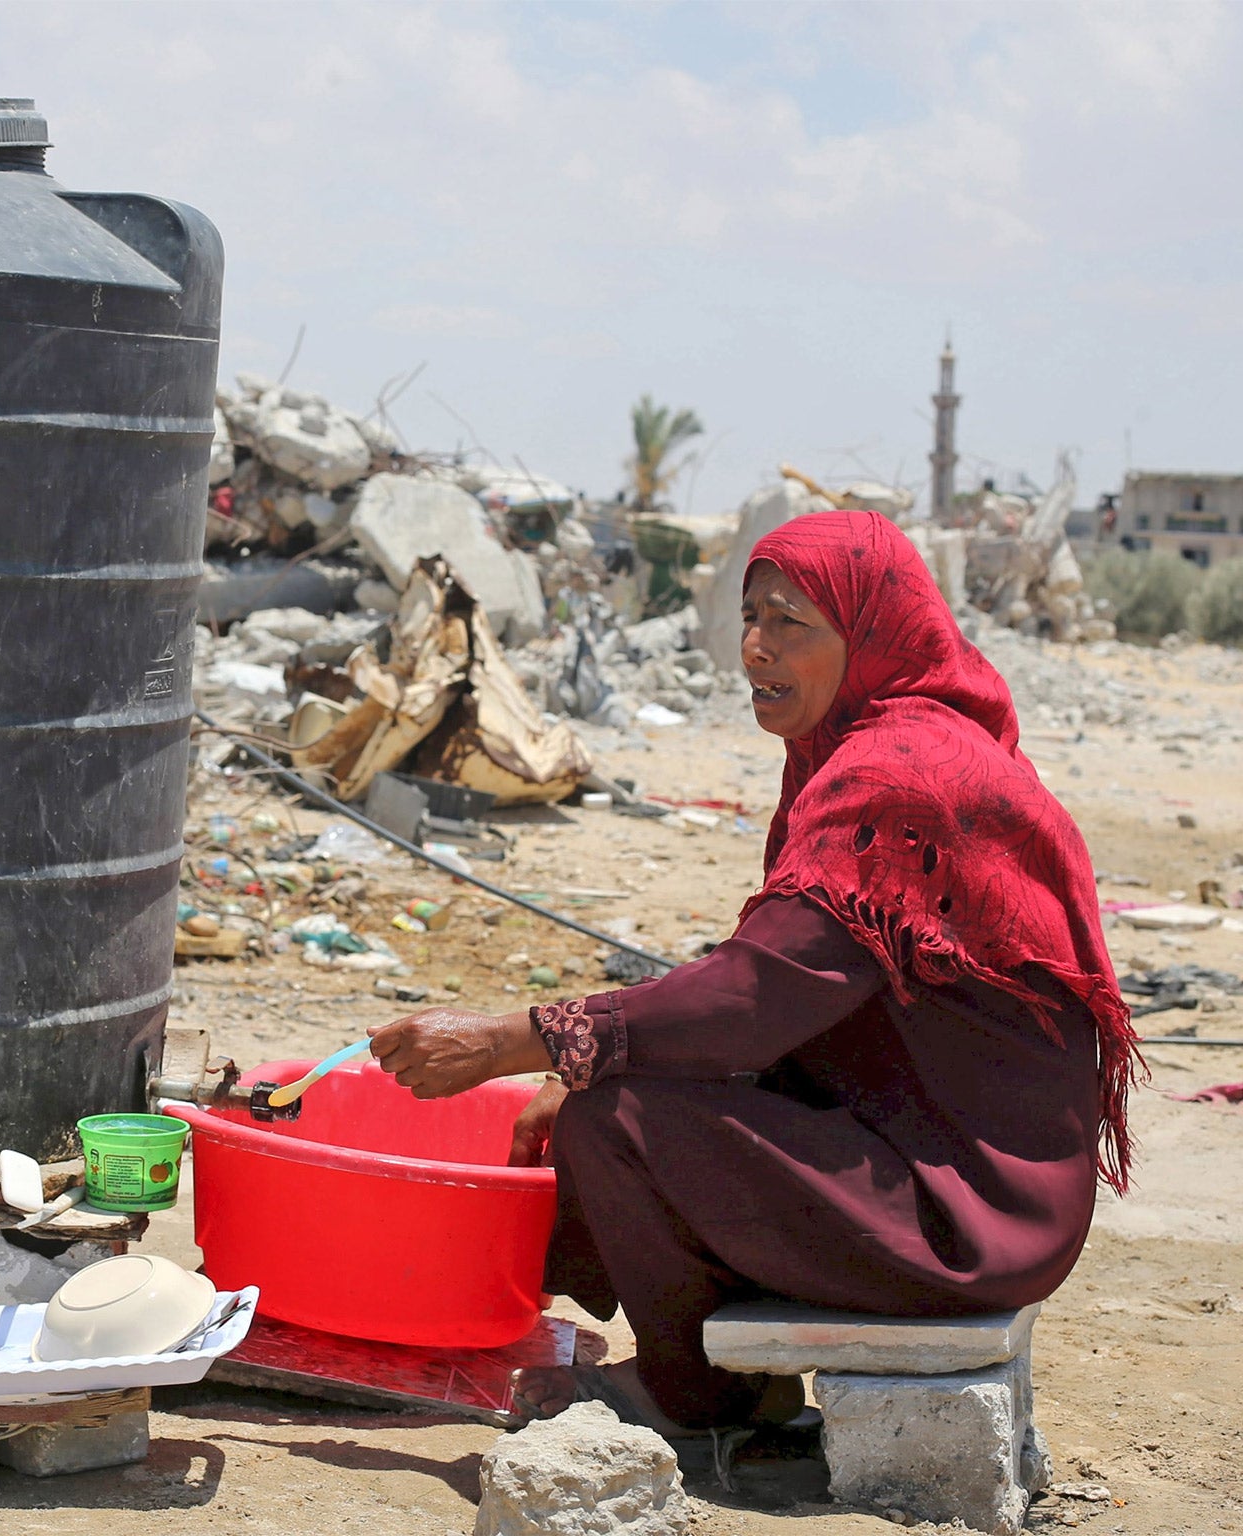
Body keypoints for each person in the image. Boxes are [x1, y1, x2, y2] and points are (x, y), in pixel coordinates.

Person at [367, 510, 1140, 1435]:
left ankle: (698, 1402)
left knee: (618, 1119)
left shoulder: (900, 774)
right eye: (751, 618)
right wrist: (579, 1058)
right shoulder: (870, 748)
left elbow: (755, 1000)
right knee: (605, 1092)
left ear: (872, 637)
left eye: (790, 624)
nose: (755, 648)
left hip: (969, 1215)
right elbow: (788, 998)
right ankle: (735, 1376)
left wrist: (522, 1039)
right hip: (942, 1169)